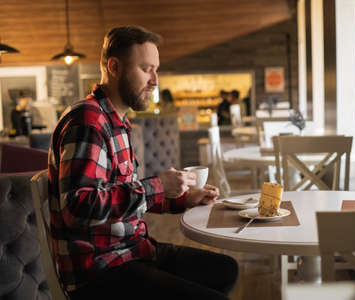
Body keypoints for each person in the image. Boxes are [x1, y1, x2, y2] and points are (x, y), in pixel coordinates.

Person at [48, 26, 238, 300]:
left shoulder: (117, 120)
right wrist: (158, 186)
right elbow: (78, 207)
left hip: (133, 250)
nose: (155, 81)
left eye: (156, 69)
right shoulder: (88, 122)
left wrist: (182, 199)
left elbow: (120, 196)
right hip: (101, 271)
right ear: (114, 67)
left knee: (225, 269)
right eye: (146, 69)